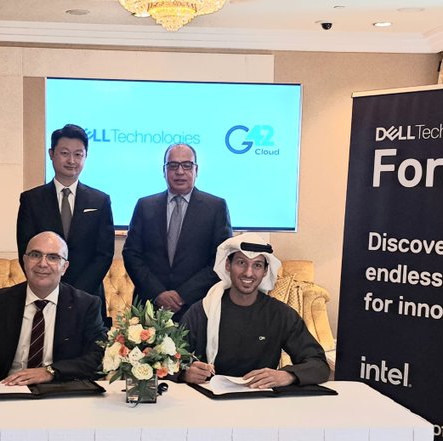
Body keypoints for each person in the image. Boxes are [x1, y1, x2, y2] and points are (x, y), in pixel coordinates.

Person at [181, 233, 330, 387]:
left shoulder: (280, 314)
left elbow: (318, 365)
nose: (248, 273)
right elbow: (169, 362)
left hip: (262, 396)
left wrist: (287, 375)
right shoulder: (202, 311)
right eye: (241, 263)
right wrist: (185, 373)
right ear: (228, 265)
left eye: (257, 265)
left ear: (265, 271)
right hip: (207, 397)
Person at [0, 231, 106, 385]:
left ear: (64, 267)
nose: (42, 263)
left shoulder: (86, 305)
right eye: (35, 255)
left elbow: (98, 356)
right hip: (9, 387)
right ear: (25, 261)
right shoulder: (0, 301)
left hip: (61, 389)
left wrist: (51, 371)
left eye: (53, 257)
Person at [122, 143, 232, 321]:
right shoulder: (145, 206)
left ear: (196, 170)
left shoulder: (215, 207)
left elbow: (221, 259)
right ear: (164, 170)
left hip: (197, 307)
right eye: (173, 165)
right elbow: (131, 254)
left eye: (187, 165)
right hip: (150, 307)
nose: (180, 171)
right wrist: (158, 293)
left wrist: (183, 295)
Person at [17, 124, 114, 323]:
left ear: (85, 157)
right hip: (44, 295)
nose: (71, 160)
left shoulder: (100, 201)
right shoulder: (31, 200)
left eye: (78, 154)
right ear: (51, 154)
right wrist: (51, 289)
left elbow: (104, 254)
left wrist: (75, 293)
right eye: (64, 153)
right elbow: (25, 251)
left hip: (88, 296)